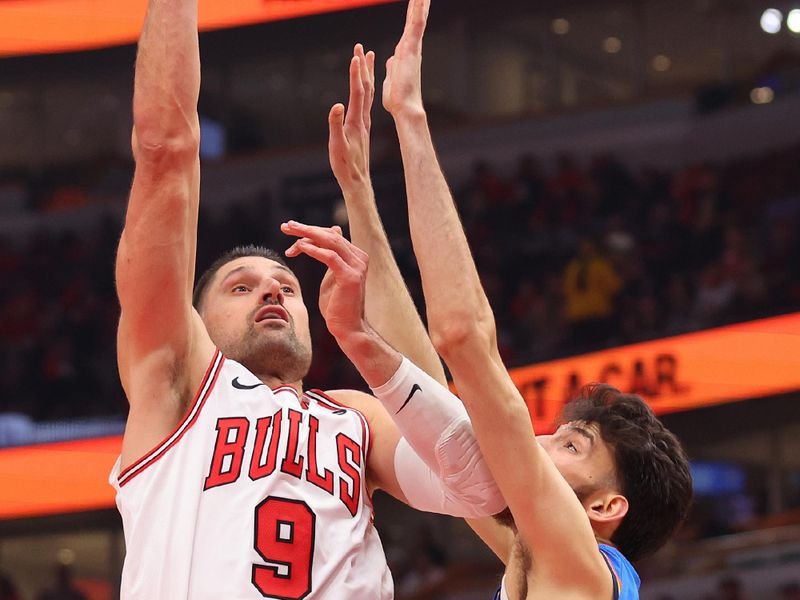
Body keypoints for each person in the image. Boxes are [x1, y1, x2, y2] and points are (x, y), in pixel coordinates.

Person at [110, 0, 504, 597]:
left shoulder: (353, 416)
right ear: (194, 322)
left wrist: (363, 339)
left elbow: (471, 480)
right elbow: (165, 149)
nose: (271, 288)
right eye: (240, 287)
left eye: (288, 288)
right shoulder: (177, 384)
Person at [377, 0, 694, 598]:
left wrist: (411, 119)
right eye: (558, 432)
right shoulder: (536, 551)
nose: (537, 441)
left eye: (572, 445)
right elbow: (425, 383)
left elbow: (463, 340)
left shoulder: (584, 569)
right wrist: (362, 203)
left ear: (606, 507)